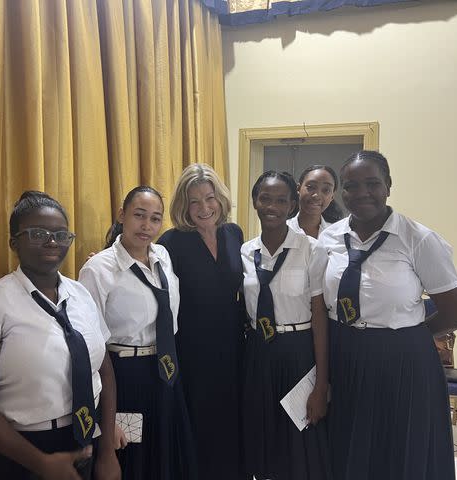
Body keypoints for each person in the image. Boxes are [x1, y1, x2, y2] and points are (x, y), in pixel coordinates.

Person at [0, 191, 120, 480]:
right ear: (14, 242)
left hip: (85, 441)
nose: (52, 241)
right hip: (16, 452)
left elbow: (105, 373)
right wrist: (41, 463)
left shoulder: (81, 295)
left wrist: (107, 451)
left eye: (61, 234)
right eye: (38, 233)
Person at [319, 151, 457, 480]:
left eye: (373, 183)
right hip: (342, 354)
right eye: (352, 186)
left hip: (402, 362)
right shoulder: (329, 238)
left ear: (388, 186)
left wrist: (408, 335)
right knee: (347, 444)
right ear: (342, 192)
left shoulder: (418, 239)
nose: (362, 193)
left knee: (399, 449)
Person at [78, 186, 197, 480]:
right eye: (139, 216)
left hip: (166, 371)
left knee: (164, 457)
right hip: (123, 376)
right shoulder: (98, 269)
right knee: (131, 460)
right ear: (122, 215)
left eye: (155, 219)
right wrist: (103, 423)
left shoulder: (163, 257)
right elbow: (88, 350)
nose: (147, 226)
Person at [158, 164, 246, 480]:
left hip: (233, 346)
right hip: (192, 350)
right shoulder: (171, 242)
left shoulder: (233, 233)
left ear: (220, 198)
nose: (204, 208)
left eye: (209, 198)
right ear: (184, 205)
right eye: (194, 201)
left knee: (230, 424)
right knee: (198, 426)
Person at [241, 171, 331, 480]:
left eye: (282, 200)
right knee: (263, 434)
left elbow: (319, 317)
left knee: (299, 439)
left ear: (293, 204)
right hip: (258, 352)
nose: (273, 207)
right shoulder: (245, 251)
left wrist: (321, 384)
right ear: (255, 201)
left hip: (297, 352)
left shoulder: (312, 250)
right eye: (265, 198)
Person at [288, 165, 342, 239]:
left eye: (326, 190)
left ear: (332, 196)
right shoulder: (281, 230)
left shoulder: (338, 235)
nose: (316, 195)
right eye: (311, 187)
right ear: (298, 188)